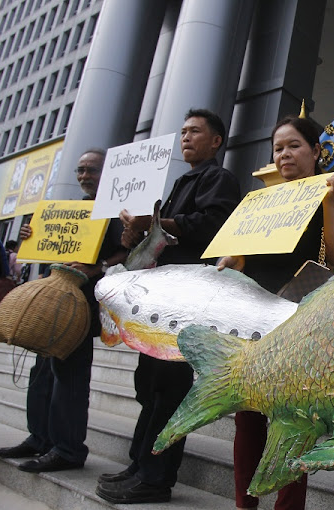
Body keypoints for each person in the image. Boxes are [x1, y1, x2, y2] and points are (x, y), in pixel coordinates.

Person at [95, 109, 242, 504]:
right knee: (151, 384)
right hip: (161, 295)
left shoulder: (219, 179)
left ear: (216, 141)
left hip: (186, 301)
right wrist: (140, 230)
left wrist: (161, 222)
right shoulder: (181, 181)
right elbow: (163, 234)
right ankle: (139, 463)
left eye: (195, 131)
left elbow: (214, 224)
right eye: (182, 132)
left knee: (171, 388)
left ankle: (157, 477)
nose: (186, 138)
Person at [218, 114, 334, 510]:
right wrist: (233, 257)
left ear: (315, 151)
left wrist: (328, 199)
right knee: (248, 418)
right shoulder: (260, 200)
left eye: (294, 145)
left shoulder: (328, 193)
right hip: (252, 319)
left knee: (293, 422)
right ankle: (245, 503)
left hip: (298, 319)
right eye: (278, 148)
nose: (284, 154)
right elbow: (240, 253)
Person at [0, 149, 127, 473]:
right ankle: (39, 437)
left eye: (92, 170)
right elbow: (49, 248)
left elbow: (127, 252)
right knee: (41, 370)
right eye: (80, 170)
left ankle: (68, 449)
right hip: (52, 304)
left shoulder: (117, 213)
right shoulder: (71, 210)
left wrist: (96, 267)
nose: (84, 176)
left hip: (80, 308)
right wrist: (31, 236)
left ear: (107, 172)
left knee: (69, 375)